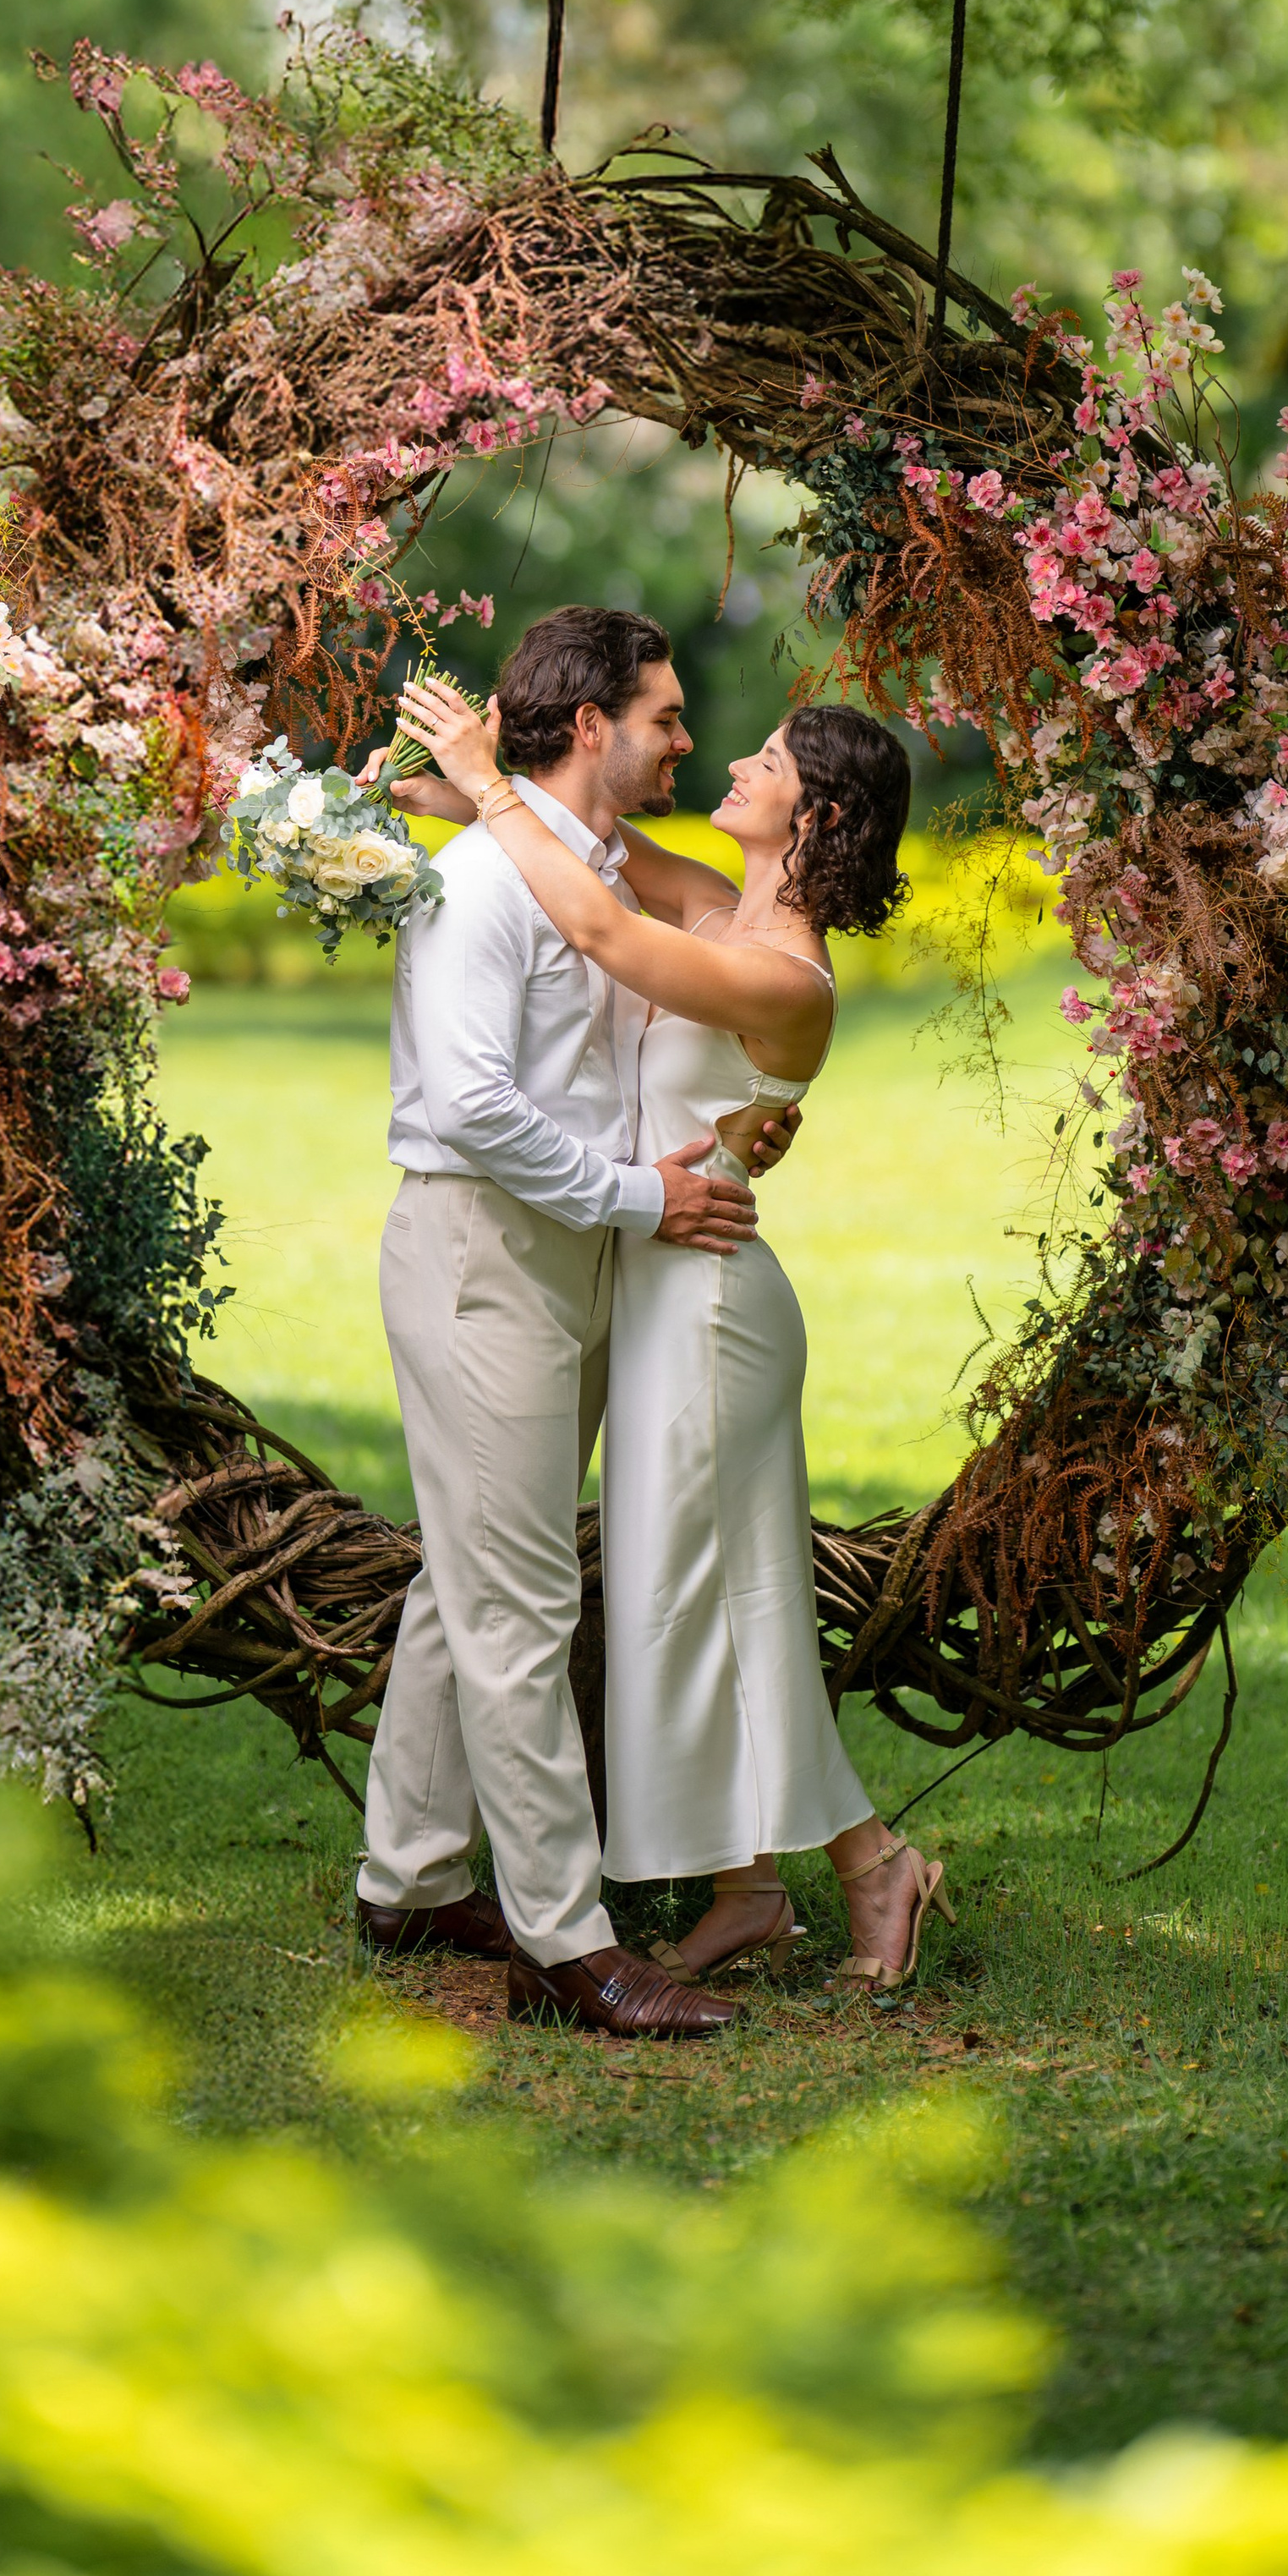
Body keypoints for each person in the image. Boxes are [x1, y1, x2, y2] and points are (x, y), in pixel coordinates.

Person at [389, 668, 957, 1996]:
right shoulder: (720, 898)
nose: (735, 763)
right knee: (678, 1593)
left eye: (767, 759)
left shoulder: (784, 974)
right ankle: (746, 1892)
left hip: (705, 1304)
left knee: (722, 1597)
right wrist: (457, 795)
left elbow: (593, 922)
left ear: (816, 820)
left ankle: (873, 1868)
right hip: (648, 1277)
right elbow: (589, 844)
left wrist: (482, 786)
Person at [354, 606, 797, 2043]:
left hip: (582, 1248)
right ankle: (564, 1943)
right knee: (521, 1602)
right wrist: (635, 1197)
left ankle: (411, 1881)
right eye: (666, 716)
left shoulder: (586, 864)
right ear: (591, 724)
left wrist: (703, 1150)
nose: (686, 738)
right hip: (489, 1254)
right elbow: (475, 1106)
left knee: (473, 1577)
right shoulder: (487, 881)